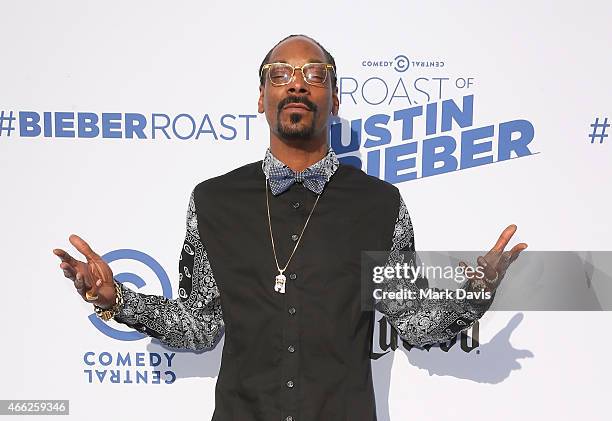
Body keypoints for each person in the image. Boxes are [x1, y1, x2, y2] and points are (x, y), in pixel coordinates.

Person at [53, 34, 527, 421]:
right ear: (262, 98)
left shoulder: (380, 206)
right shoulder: (213, 201)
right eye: (281, 74)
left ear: (335, 99)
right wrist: (118, 300)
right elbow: (199, 328)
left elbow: (417, 325)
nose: (297, 84)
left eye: (314, 75)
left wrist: (474, 292)